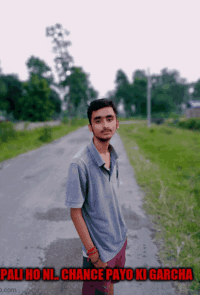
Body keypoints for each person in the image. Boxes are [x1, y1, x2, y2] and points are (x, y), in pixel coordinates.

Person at [65, 99, 127, 295]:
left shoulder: (113, 155)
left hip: (119, 242)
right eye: (98, 120)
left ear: (117, 123)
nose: (105, 125)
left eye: (110, 119)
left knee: (110, 286)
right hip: (98, 252)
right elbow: (75, 213)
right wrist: (93, 255)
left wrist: (122, 238)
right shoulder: (79, 164)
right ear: (90, 127)